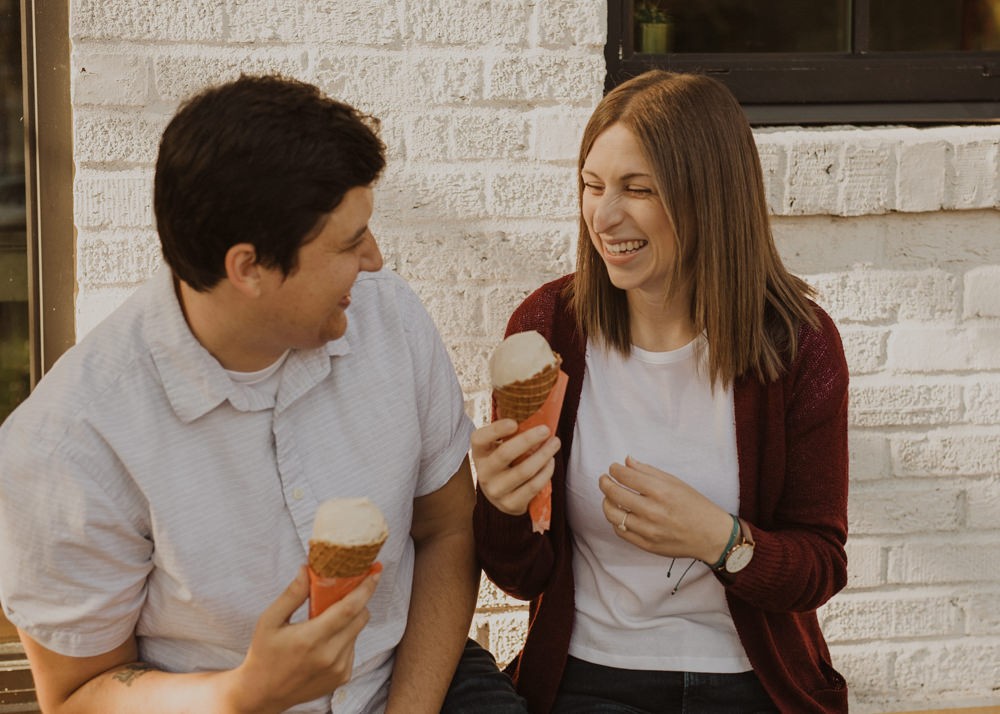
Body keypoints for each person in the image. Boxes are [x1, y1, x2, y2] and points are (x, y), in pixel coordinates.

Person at [0, 74, 515, 714]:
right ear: (249, 268)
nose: (377, 259)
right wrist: (243, 693)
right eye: (351, 242)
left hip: (413, 674)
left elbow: (446, 530)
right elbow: (76, 696)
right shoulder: (67, 442)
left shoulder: (391, 321)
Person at [471, 70, 850, 713]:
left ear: (709, 198)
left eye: (637, 189)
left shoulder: (798, 345)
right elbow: (521, 575)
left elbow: (818, 567)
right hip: (589, 675)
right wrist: (501, 507)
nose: (604, 215)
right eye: (592, 186)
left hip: (750, 683)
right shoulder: (547, 328)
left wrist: (720, 540)